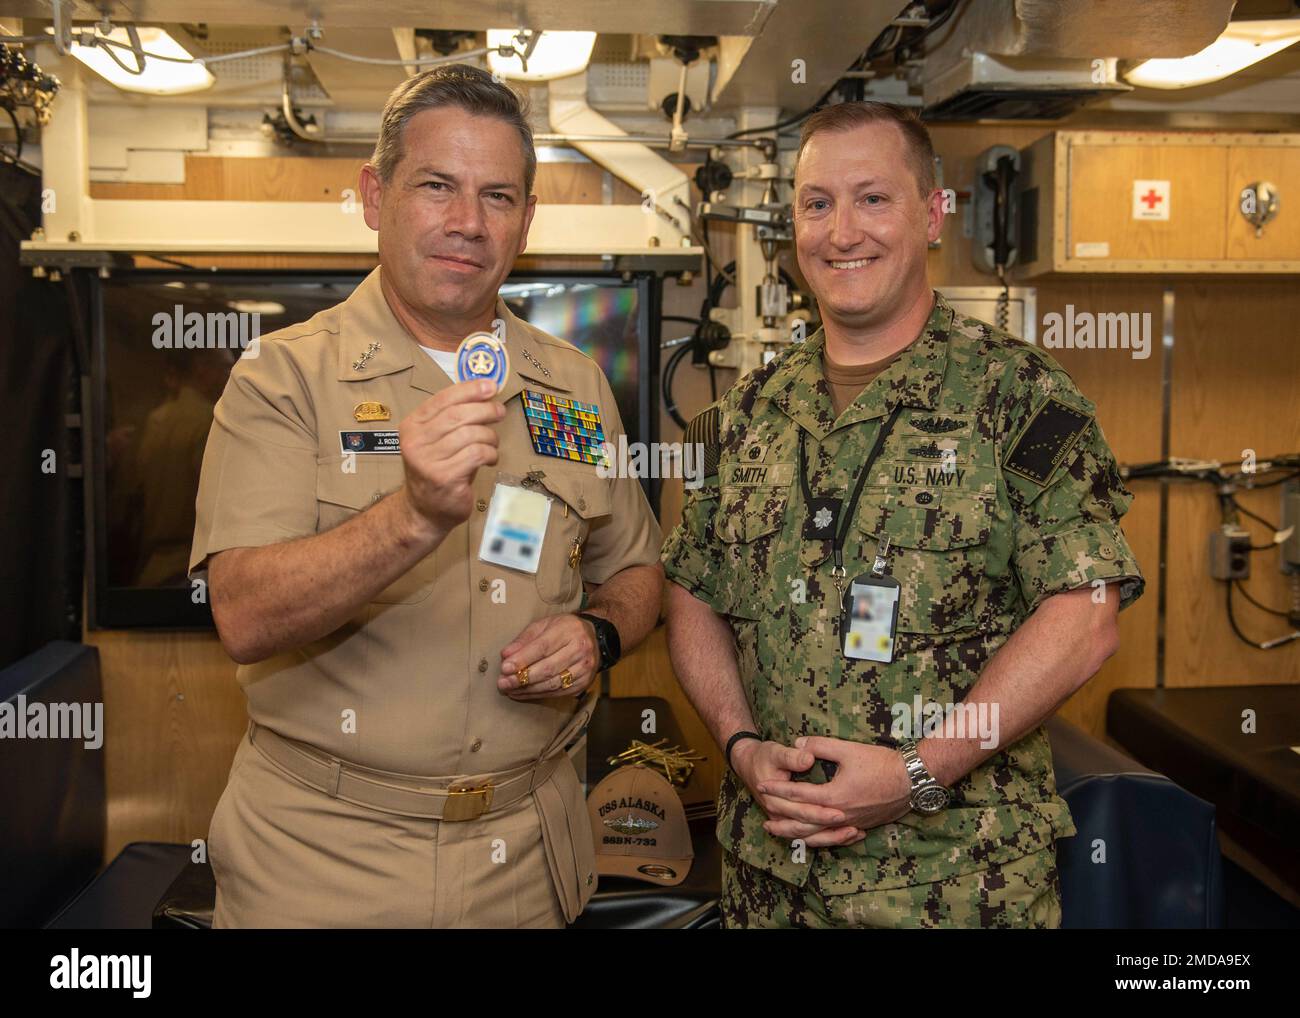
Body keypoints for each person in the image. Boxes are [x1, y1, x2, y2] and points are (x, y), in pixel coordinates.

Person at [189, 64, 663, 928]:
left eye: (498, 196)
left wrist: (596, 634)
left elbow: (635, 571)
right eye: (436, 186)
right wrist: (410, 516)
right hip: (325, 863)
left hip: (526, 857)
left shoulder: (575, 386)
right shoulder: (282, 378)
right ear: (376, 196)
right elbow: (244, 614)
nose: (467, 224)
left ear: (526, 219)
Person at [661, 101, 1144, 928]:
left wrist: (917, 771)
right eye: (817, 204)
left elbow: (1085, 615)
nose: (842, 230)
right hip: (768, 881)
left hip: (952, 885)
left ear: (933, 214)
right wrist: (739, 746)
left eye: (873, 199)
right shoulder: (743, 414)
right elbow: (692, 591)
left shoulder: (1018, 399)